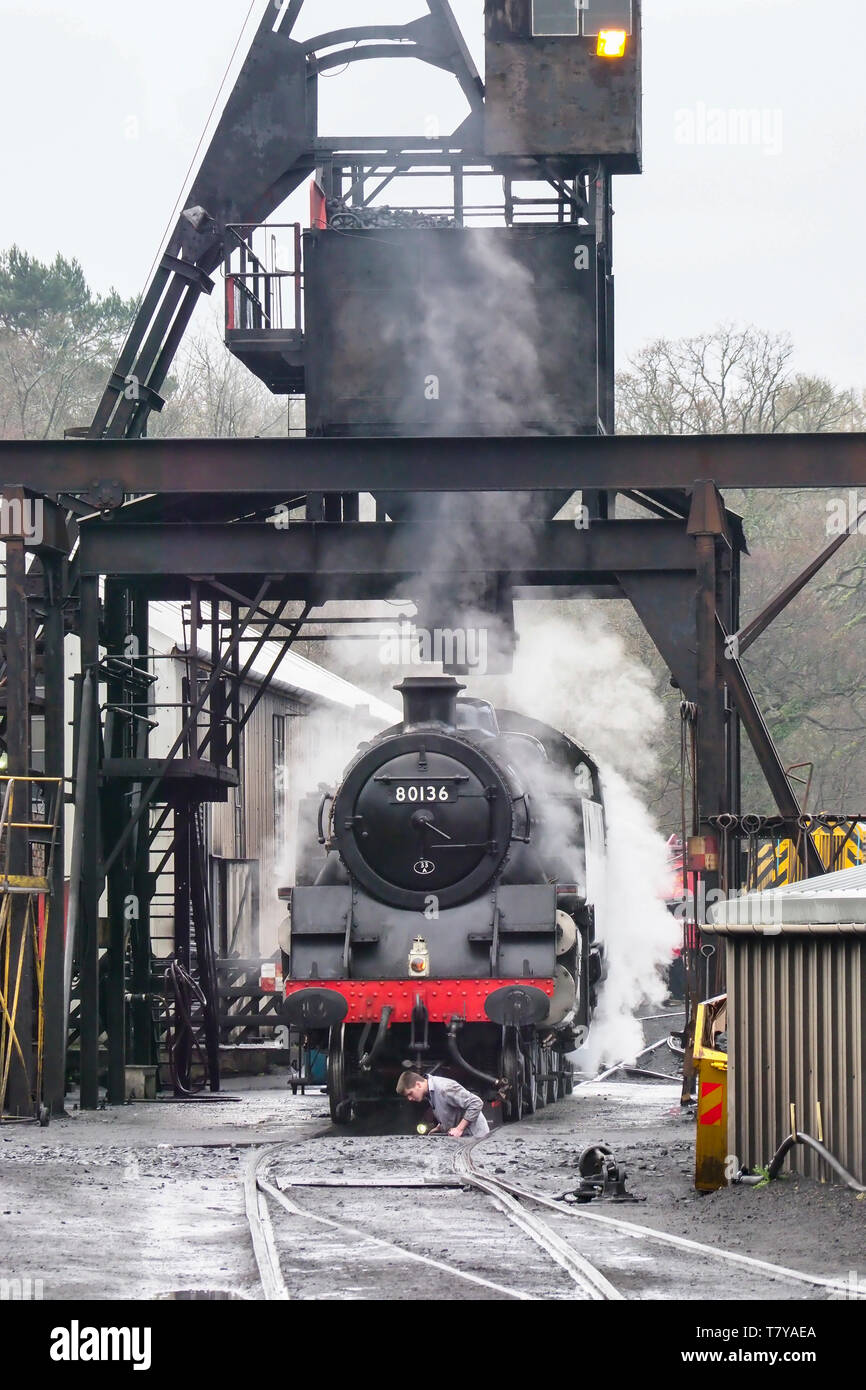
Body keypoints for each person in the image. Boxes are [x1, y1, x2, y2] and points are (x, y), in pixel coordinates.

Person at [396, 1070, 489, 1138]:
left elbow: (476, 1103)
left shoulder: (444, 1088)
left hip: (476, 1138)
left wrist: (459, 1129)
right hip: (464, 1138)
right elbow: (450, 1110)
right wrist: (440, 1127)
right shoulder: (430, 1092)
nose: (410, 1098)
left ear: (418, 1085)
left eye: (410, 1093)